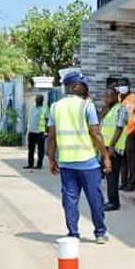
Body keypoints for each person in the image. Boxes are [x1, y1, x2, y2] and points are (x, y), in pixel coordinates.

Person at [47, 69, 111, 243]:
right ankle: (99, 233)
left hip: (67, 162)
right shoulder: (86, 105)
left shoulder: (55, 107)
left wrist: (51, 159)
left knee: (70, 200)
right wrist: (105, 156)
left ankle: (73, 233)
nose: (87, 87)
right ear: (75, 86)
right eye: (84, 84)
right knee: (95, 198)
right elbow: (96, 134)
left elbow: (51, 136)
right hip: (88, 162)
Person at [99, 87, 128, 212]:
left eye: (109, 96)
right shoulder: (109, 110)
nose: (106, 99)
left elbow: (119, 128)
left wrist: (111, 146)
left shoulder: (121, 109)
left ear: (116, 96)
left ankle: (114, 202)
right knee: (107, 174)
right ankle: (110, 200)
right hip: (105, 147)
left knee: (112, 176)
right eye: (105, 96)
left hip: (114, 148)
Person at [117, 82, 135, 192]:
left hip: (130, 133)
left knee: (131, 160)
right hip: (120, 134)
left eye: (124, 85)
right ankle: (123, 182)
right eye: (120, 86)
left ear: (128, 87)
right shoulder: (118, 98)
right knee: (122, 160)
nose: (122, 88)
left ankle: (131, 183)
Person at [24, 94, 49, 170]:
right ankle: (30, 164)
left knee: (40, 150)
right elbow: (29, 119)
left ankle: (39, 164)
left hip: (40, 132)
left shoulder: (45, 109)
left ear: (42, 100)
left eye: (39, 99)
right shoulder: (32, 108)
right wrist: (26, 128)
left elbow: (47, 120)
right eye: (36, 99)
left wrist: (46, 132)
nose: (37, 100)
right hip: (31, 132)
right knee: (30, 149)